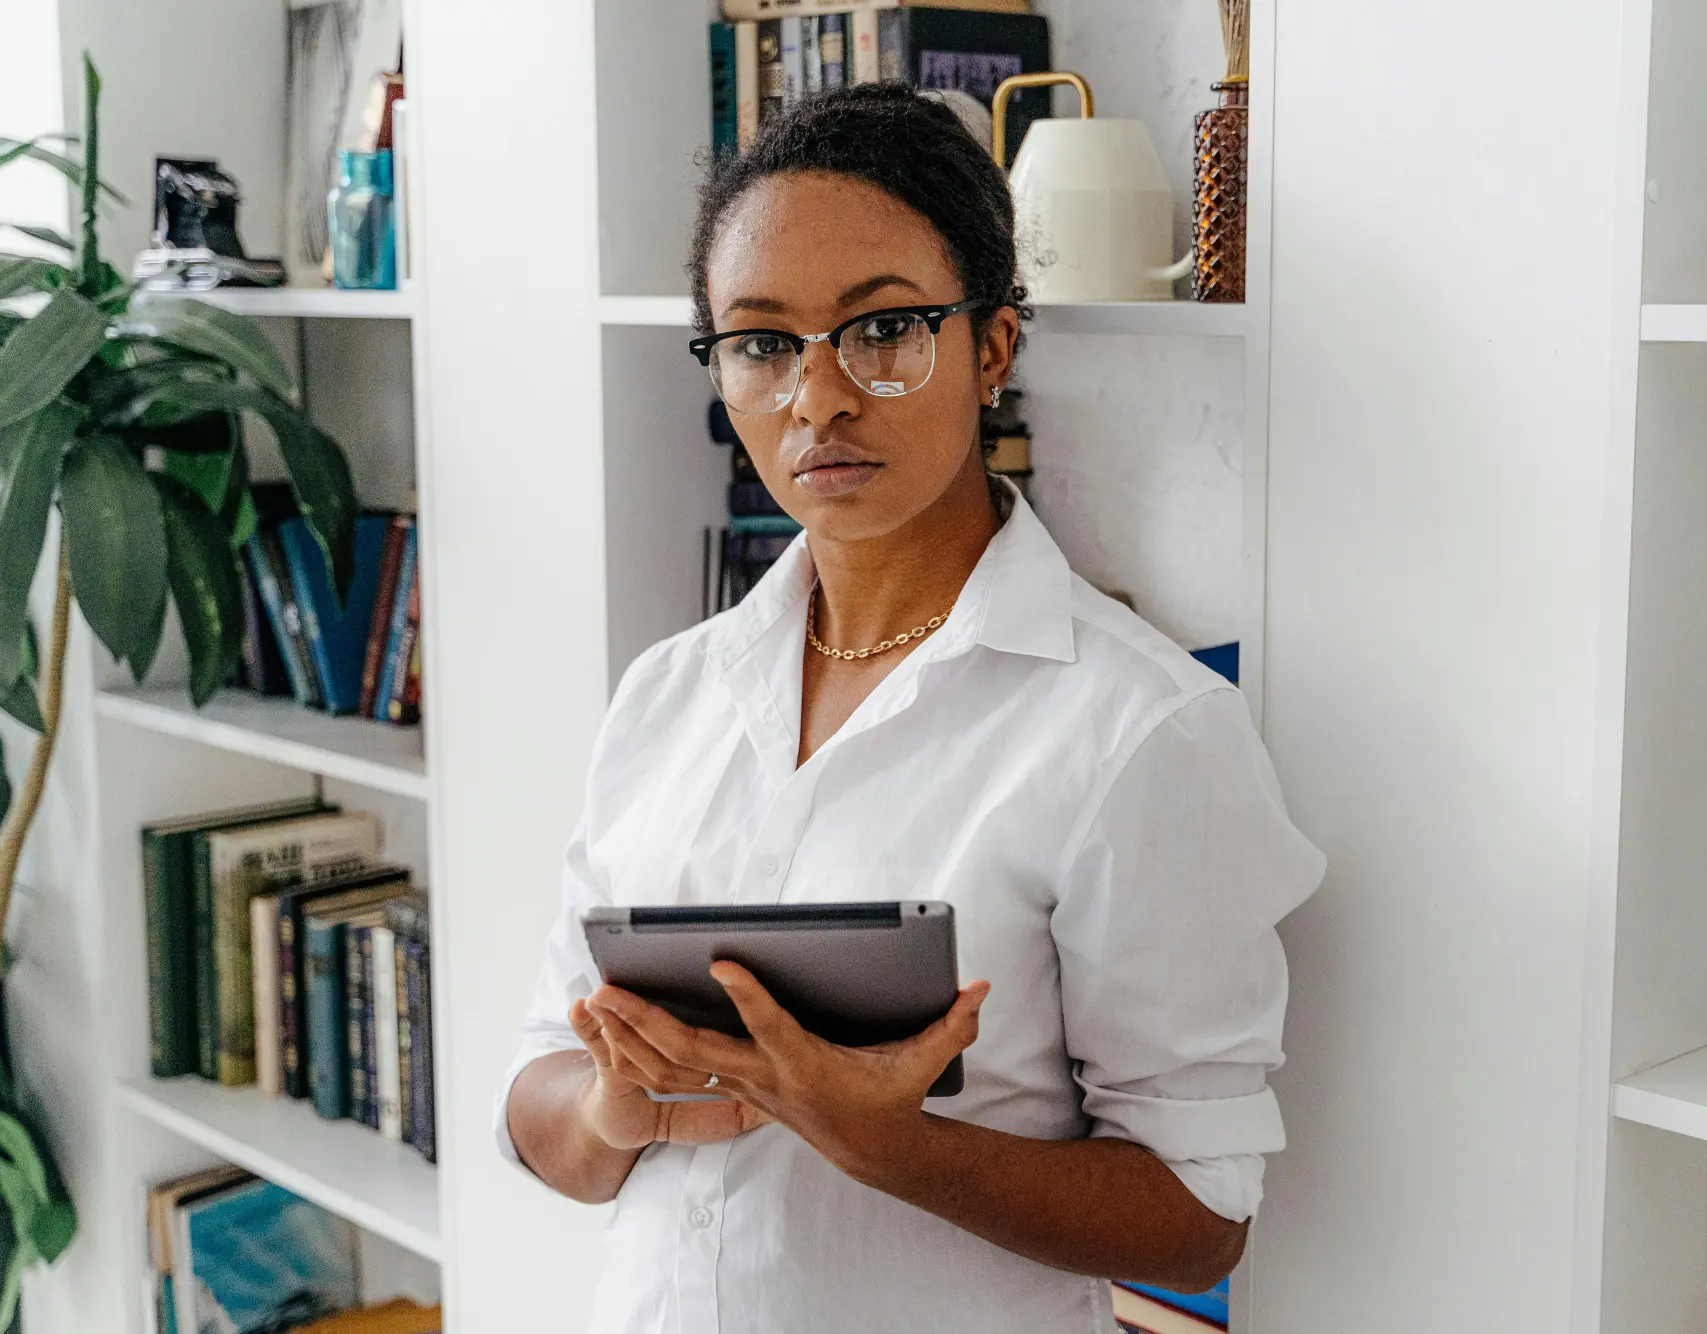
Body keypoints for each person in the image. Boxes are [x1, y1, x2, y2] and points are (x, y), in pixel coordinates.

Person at [497, 83, 1325, 1334]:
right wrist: (623, 1106)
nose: (815, 398)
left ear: (992, 345)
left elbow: (1200, 1209)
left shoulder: (1137, 728)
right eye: (762, 342)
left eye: (882, 330)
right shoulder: (668, 694)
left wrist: (887, 1144)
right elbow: (538, 1099)